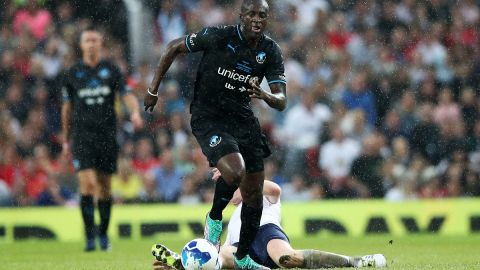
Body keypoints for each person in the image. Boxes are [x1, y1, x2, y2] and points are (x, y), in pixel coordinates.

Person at [144, 1, 287, 269]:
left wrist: (267, 95)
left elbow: (281, 99)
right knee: (235, 171)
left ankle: (243, 257)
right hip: (209, 117)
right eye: (252, 14)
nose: (257, 19)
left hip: (243, 121)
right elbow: (174, 46)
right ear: (241, 16)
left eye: (262, 15)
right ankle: (214, 217)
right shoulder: (219, 36)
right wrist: (153, 89)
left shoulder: (270, 51)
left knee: (254, 194)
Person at [151, 169, 387, 270]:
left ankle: (354, 262)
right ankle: (188, 264)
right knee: (219, 255)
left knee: (286, 257)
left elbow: (275, 190)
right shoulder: (231, 206)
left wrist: (241, 183)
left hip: (265, 234)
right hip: (239, 247)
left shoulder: (261, 193)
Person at [61, 26, 143, 251]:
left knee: (105, 188)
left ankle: (103, 235)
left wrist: (135, 112)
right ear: (81, 45)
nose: (91, 44)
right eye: (87, 40)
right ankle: (89, 237)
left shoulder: (112, 70)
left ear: (100, 44)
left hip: (106, 136)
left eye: (95, 40)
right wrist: (66, 140)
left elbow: (126, 94)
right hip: (81, 137)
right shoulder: (72, 73)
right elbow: (67, 109)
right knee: (87, 185)